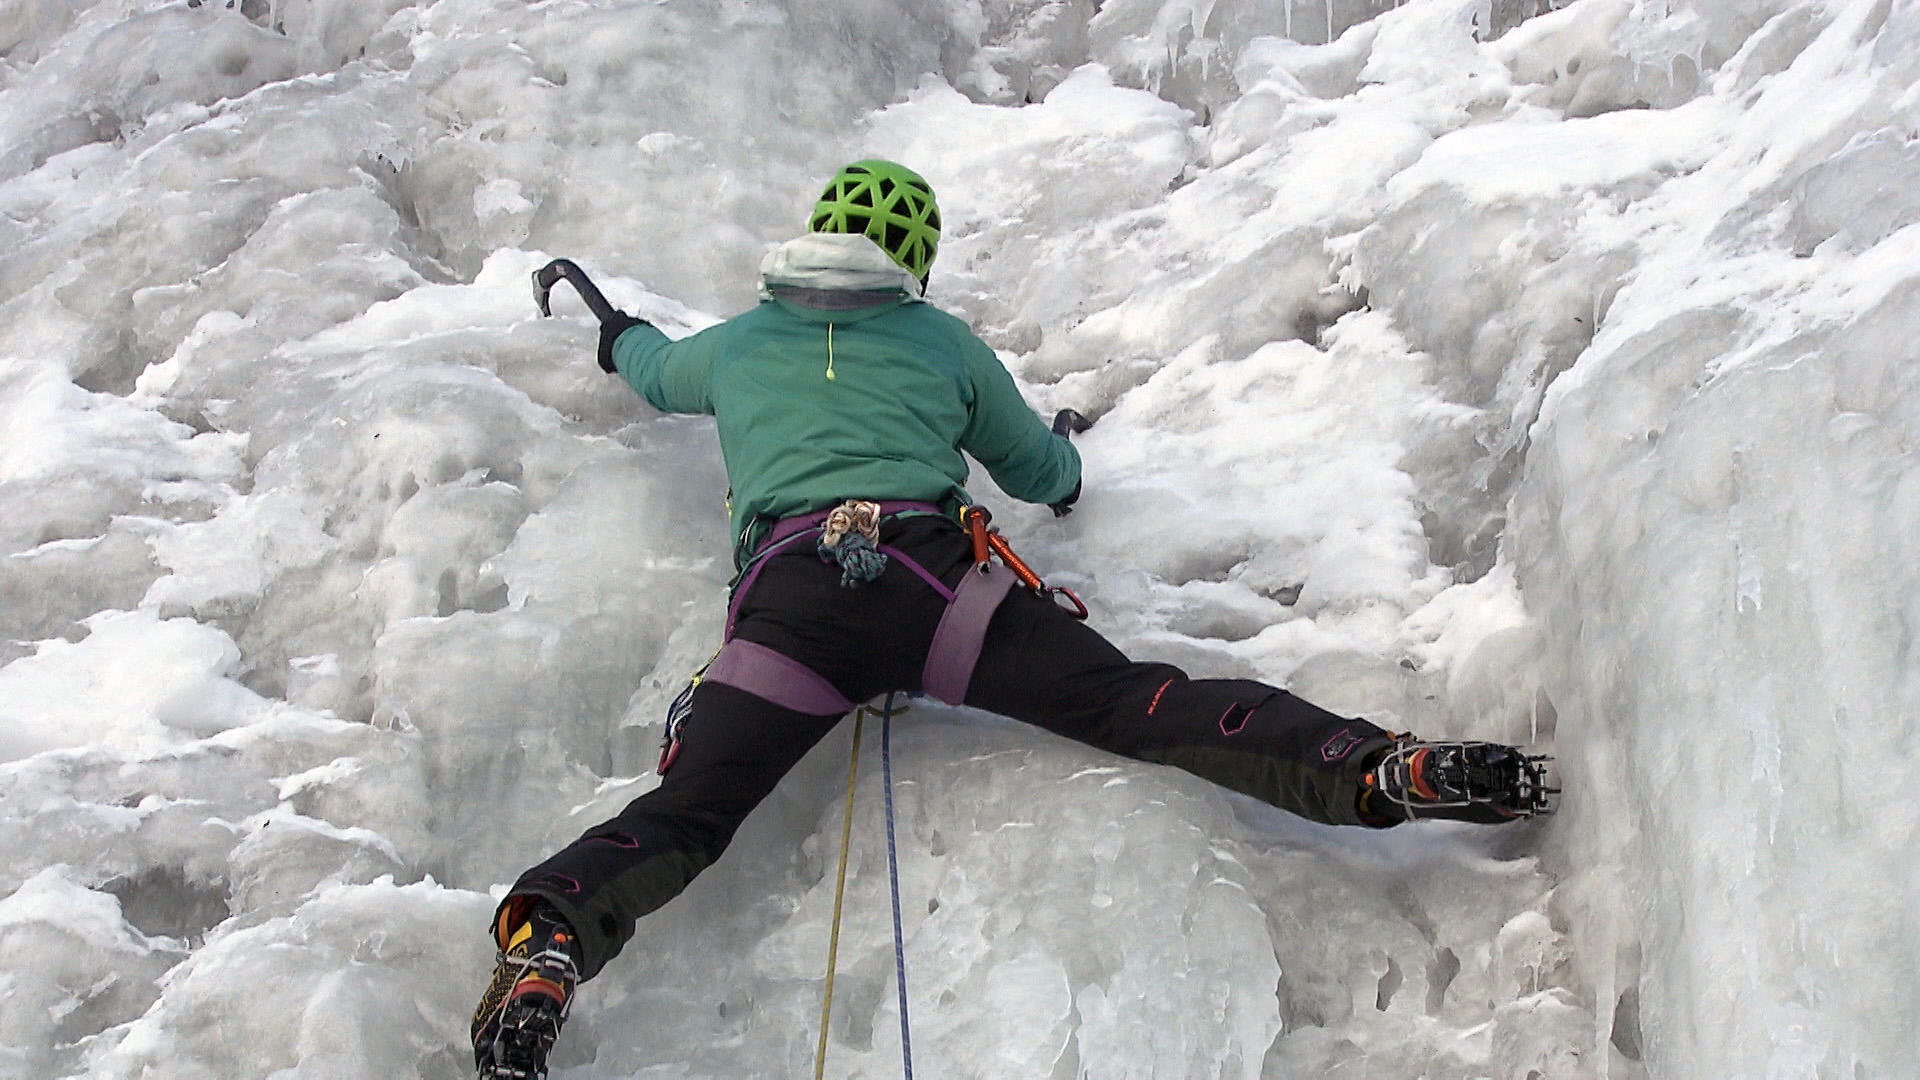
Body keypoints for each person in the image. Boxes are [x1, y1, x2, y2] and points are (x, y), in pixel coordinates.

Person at [469, 160, 1551, 1078]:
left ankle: (547, 942)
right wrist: (1072, 468)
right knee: (1142, 704)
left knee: (690, 811)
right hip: (938, 589)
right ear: (916, 259)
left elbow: (655, 372)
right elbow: (1039, 469)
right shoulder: (941, 344)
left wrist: (617, 335)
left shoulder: (742, 342)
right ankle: (1378, 767)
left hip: (791, 607)